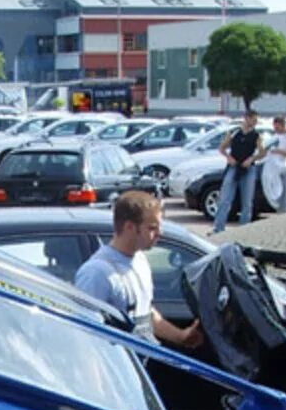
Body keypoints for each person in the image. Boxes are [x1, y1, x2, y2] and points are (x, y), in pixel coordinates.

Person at [73, 190, 203, 348]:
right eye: (152, 228)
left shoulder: (140, 260)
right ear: (129, 227)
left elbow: (144, 314)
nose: (159, 233)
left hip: (141, 364)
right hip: (117, 369)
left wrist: (180, 337)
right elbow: (86, 337)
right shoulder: (97, 274)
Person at [211, 110, 266, 234]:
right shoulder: (234, 132)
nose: (255, 122)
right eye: (253, 119)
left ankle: (244, 229)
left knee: (247, 201)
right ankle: (218, 228)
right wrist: (229, 157)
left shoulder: (257, 136)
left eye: (256, 120)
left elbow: (262, 152)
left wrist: (252, 158)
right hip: (234, 166)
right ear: (246, 118)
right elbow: (222, 148)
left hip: (248, 168)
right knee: (225, 198)